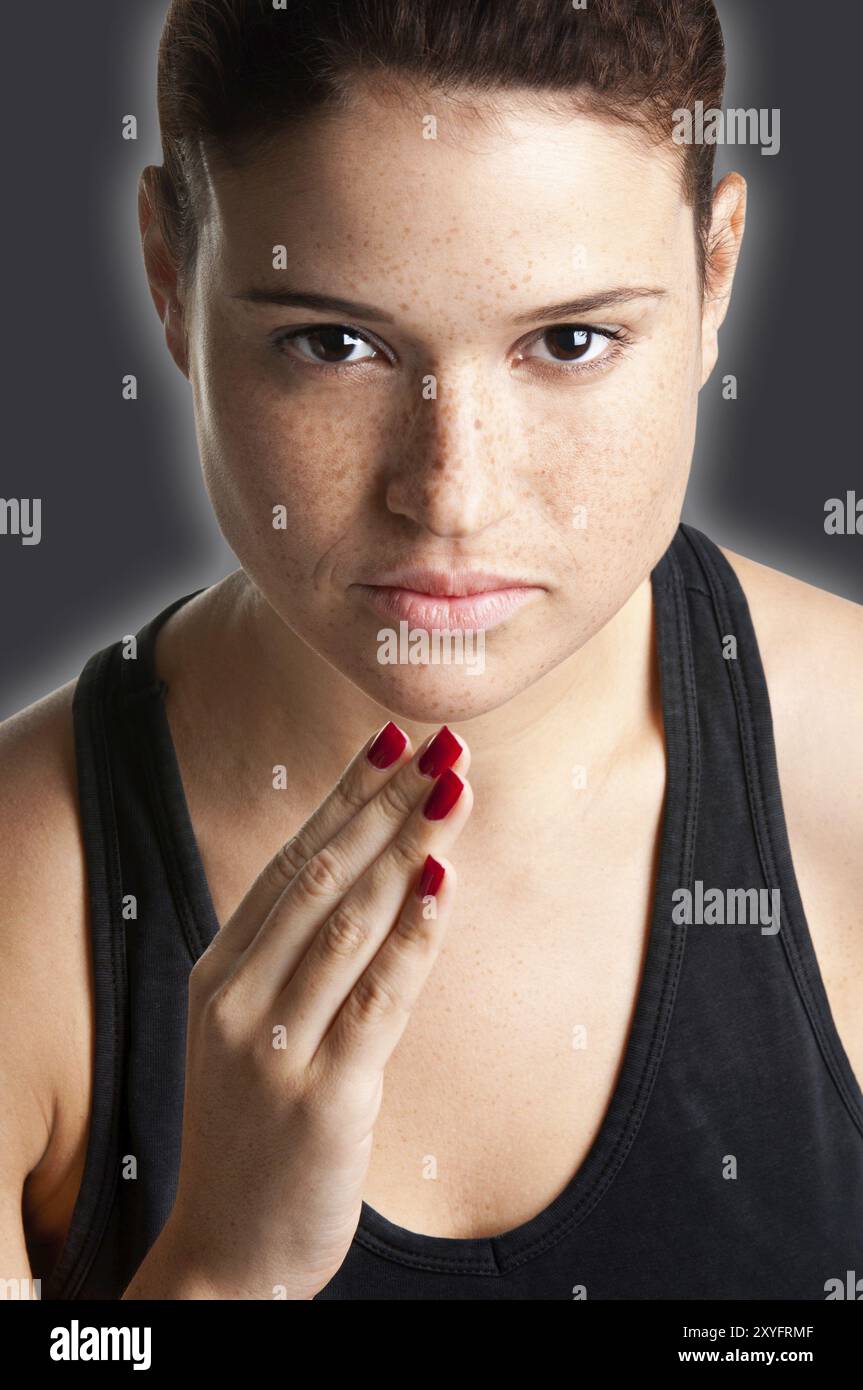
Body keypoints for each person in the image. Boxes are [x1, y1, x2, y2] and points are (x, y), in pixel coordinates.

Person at [1, 0, 861, 1302]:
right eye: (334, 344)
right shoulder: (24, 897)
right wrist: (220, 1273)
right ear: (171, 277)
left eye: (570, 341)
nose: (451, 494)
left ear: (716, 273)